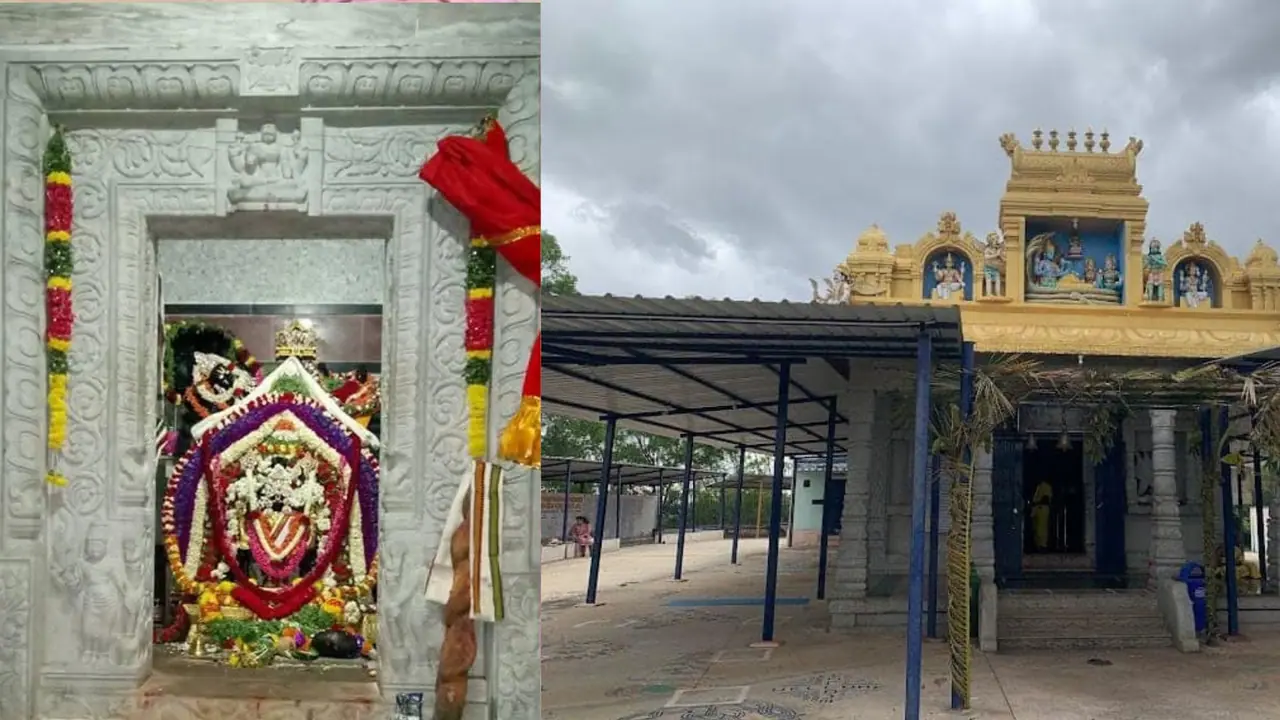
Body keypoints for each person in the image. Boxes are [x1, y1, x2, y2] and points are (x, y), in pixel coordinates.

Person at [1030, 479, 1053, 552]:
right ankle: (1037, 545)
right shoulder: (1038, 486)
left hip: (1042, 508)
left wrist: (1036, 503)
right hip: (1036, 508)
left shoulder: (1046, 486)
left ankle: (1043, 546)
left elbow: (1046, 499)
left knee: (1042, 528)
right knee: (1035, 528)